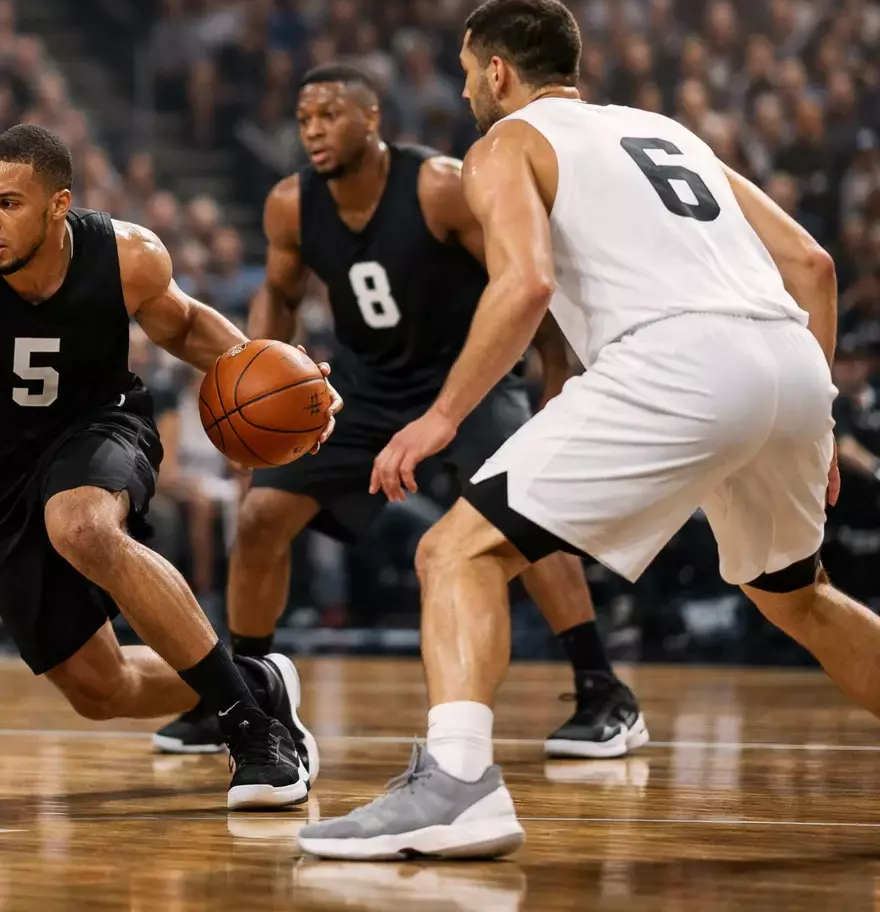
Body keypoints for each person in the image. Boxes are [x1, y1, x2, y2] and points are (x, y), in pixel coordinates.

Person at [298, 0, 864, 860]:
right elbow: (813, 265)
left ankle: (456, 787)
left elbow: (524, 283)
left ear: (497, 70)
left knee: (455, 553)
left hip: (676, 358)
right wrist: (815, 415)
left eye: (466, 72)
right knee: (797, 596)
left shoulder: (505, 144)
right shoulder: (668, 132)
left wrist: (441, 417)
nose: (464, 91)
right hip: (788, 360)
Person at [0, 124, 337, 810]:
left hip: (98, 427)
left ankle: (252, 732)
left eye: (8, 203)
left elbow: (183, 326)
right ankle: (258, 683)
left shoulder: (126, 255)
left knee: (81, 525)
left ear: (59, 205)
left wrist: (284, 382)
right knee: (101, 691)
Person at [154, 64, 644, 759]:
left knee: (523, 511)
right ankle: (243, 697)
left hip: (466, 378)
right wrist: (257, 366)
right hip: (364, 387)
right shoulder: (290, 205)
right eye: (304, 119)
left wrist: (556, 374)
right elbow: (281, 295)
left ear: (371, 118)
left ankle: (601, 686)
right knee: (262, 517)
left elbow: (520, 278)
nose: (314, 130)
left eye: (330, 115)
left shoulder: (439, 186)